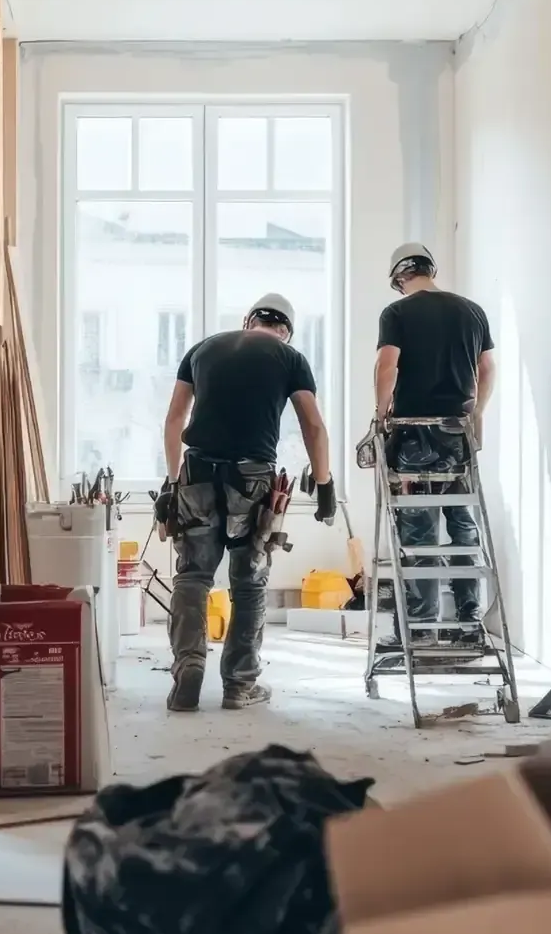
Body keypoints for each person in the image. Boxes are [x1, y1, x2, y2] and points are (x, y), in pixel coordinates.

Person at [157, 293, 336, 712]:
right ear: (286, 331)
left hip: (197, 471)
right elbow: (312, 424)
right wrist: (324, 484)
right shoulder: (289, 358)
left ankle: (189, 666)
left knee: (193, 575)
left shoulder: (202, 349)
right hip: (251, 478)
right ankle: (239, 684)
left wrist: (170, 483)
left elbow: (174, 419)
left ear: (248, 320)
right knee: (249, 581)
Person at [372, 243, 496, 641]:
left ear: (398, 278)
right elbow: (488, 366)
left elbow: (386, 364)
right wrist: (477, 410)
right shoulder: (471, 310)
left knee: (419, 529)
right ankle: (469, 624)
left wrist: (381, 412)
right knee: (463, 526)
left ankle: (421, 628)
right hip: (457, 434)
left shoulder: (397, 312)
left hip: (414, 434)